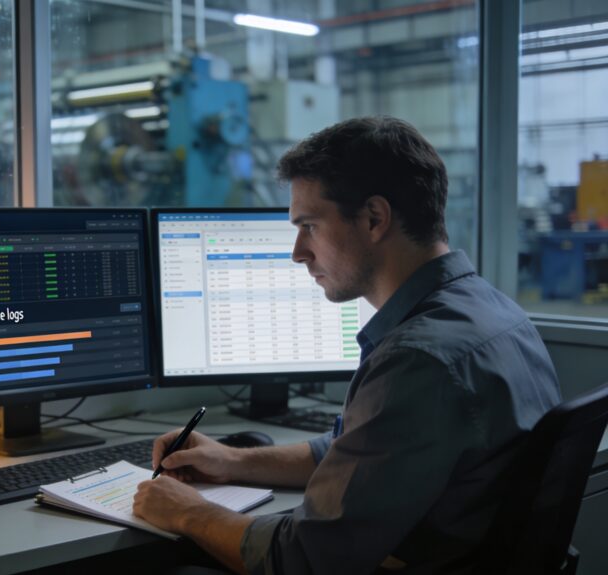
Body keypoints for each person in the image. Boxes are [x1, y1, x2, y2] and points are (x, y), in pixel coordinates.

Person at [132, 116, 562, 575]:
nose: (298, 252)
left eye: (310, 226)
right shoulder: (493, 312)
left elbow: (302, 560)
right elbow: (351, 453)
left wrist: (187, 511)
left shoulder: (418, 360)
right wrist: (233, 460)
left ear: (375, 218)